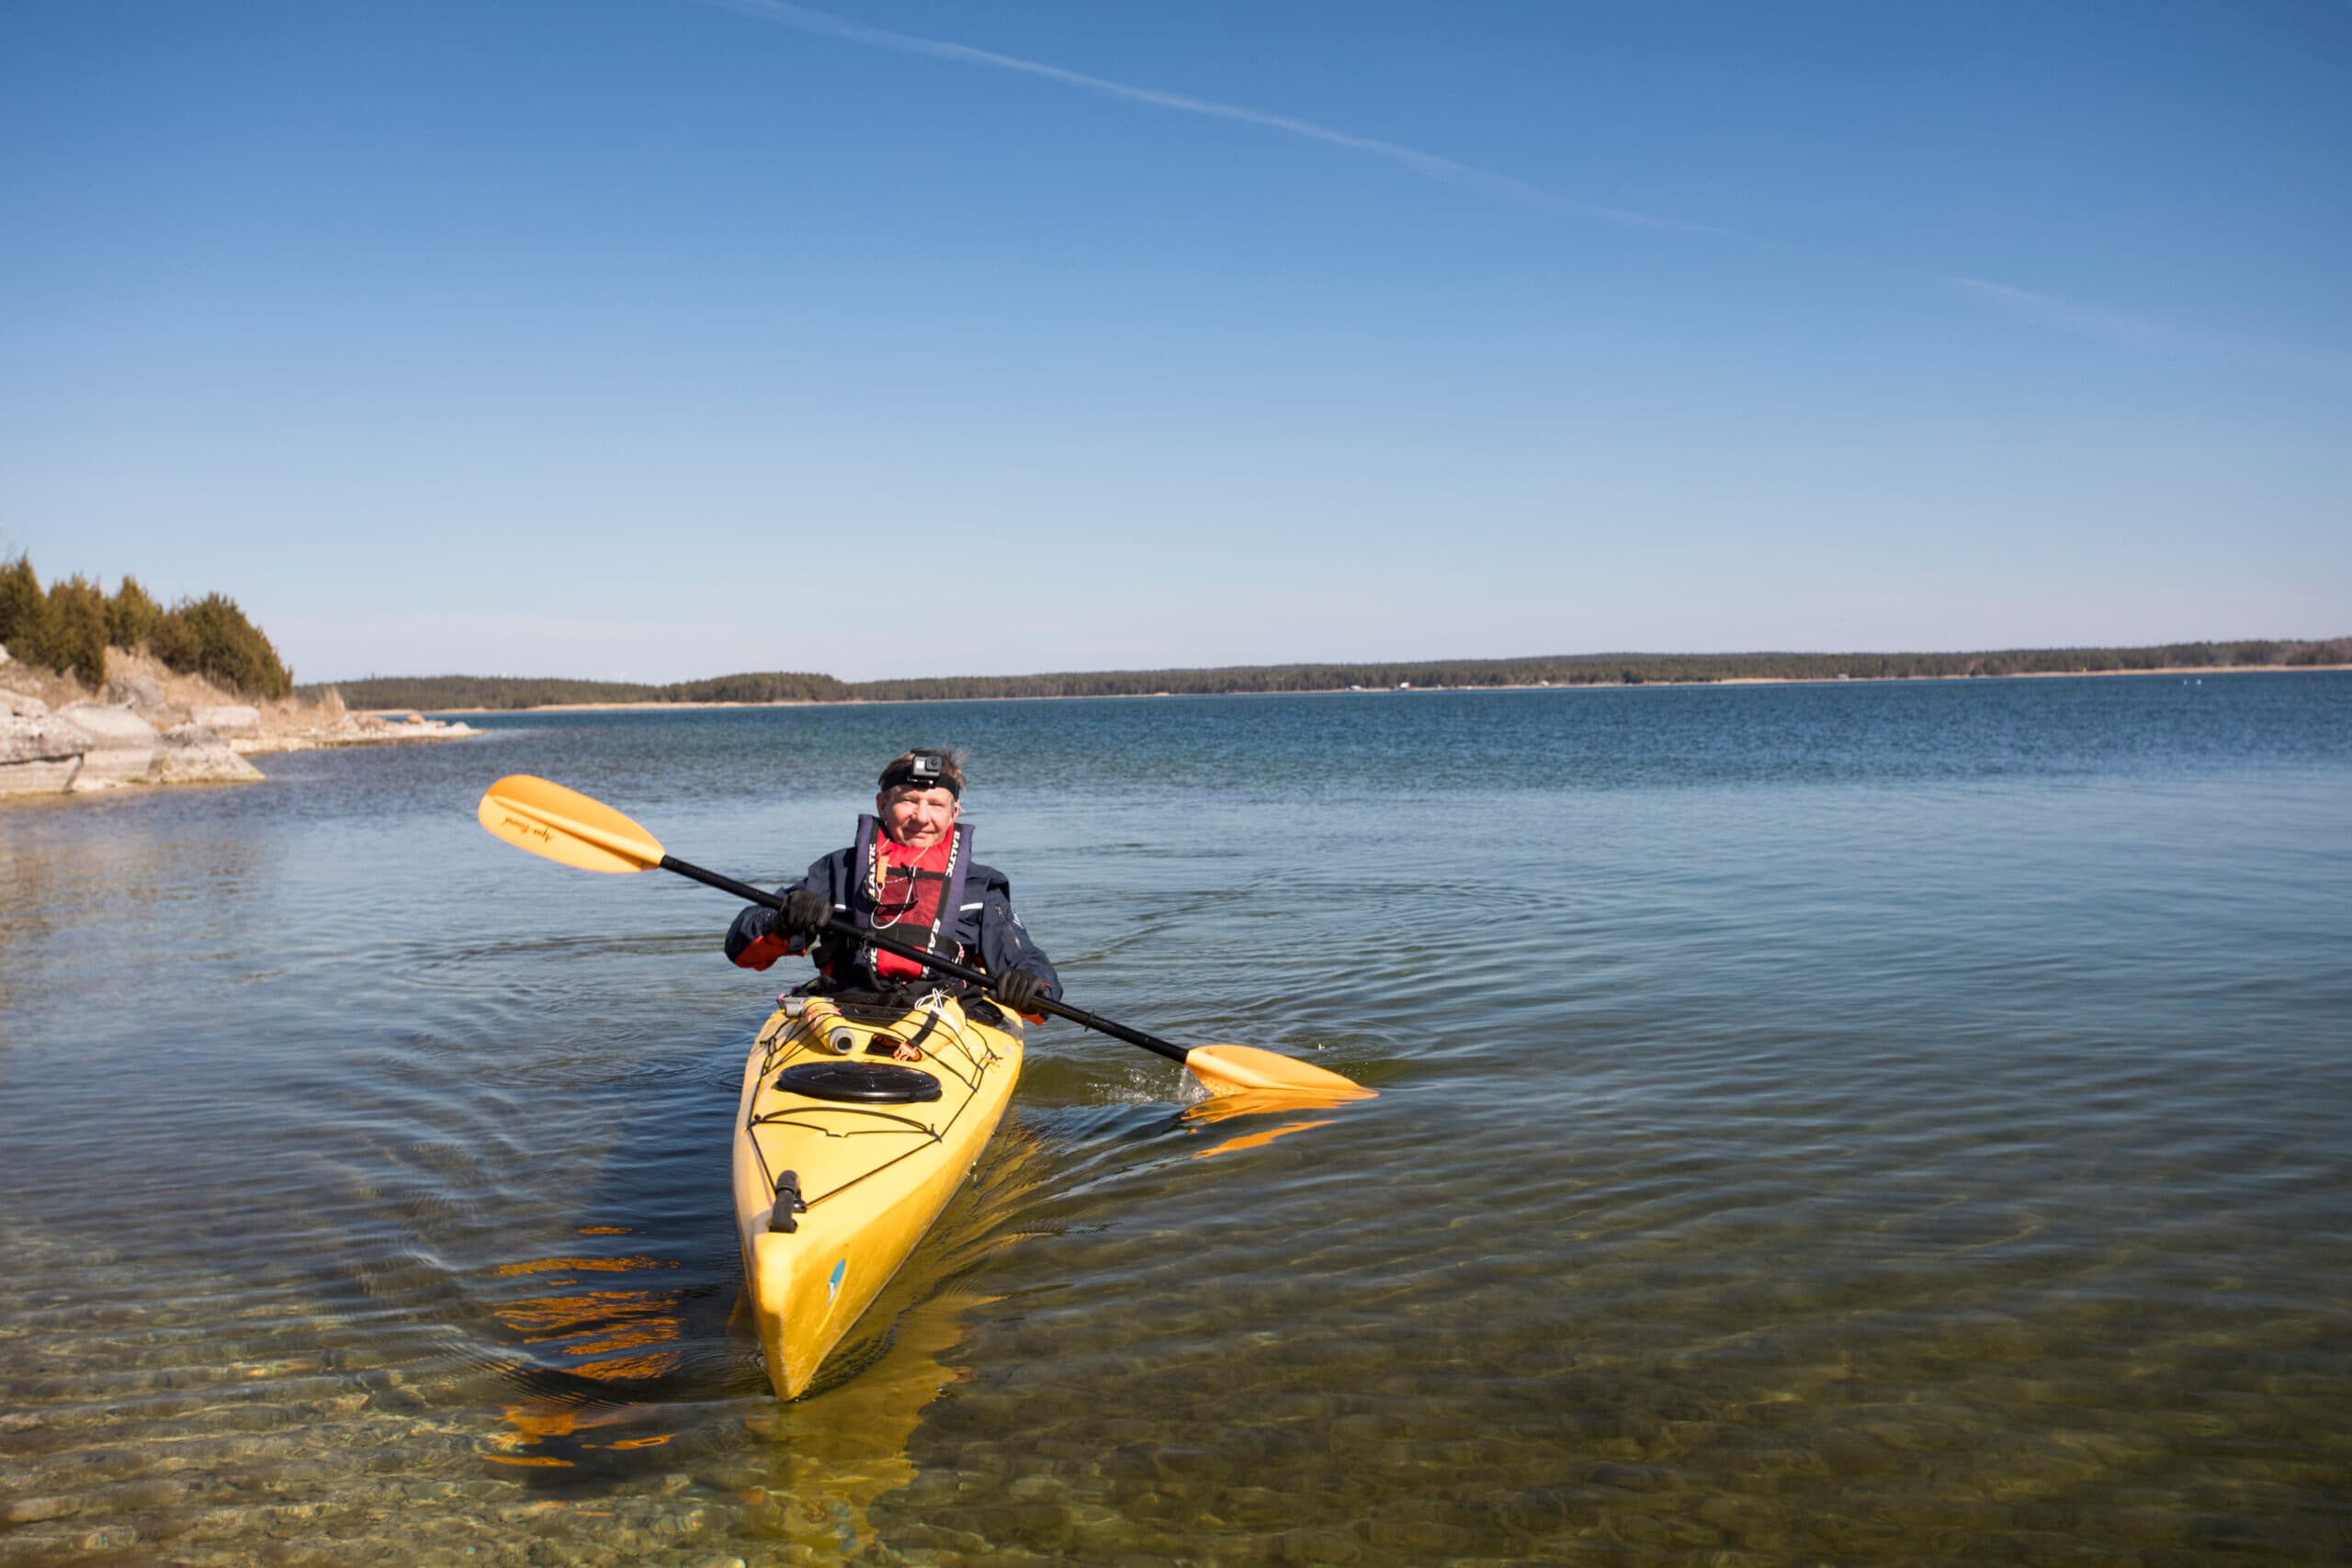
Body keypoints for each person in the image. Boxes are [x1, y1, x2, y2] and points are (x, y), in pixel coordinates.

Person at [725, 748, 1061, 1034]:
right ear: (882, 804)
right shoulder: (837, 871)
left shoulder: (980, 886)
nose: (921, 817)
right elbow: (740, 946)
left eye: (935, 804)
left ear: (954, 813)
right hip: (842, 1010)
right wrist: (782, 921)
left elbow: (1030, 964)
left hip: (943, 1017)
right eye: (909, 801)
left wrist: (1031, 984)